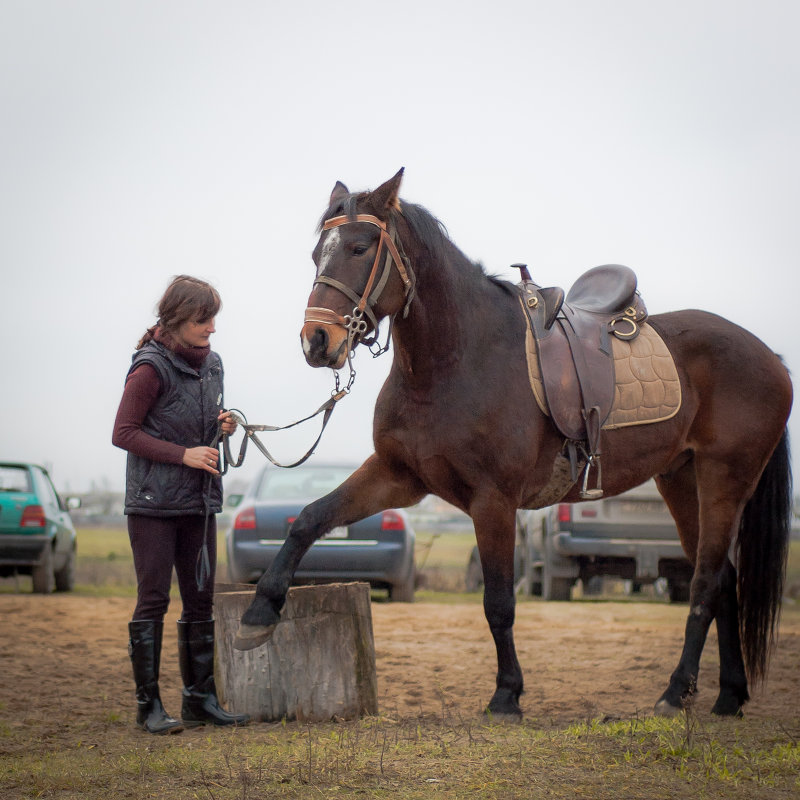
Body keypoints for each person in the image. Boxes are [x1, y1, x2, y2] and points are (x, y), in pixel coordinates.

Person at [112, 275, 249, 734]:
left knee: (201, 600)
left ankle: (199, 700)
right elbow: (124, 433)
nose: (212, 328)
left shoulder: (214, 366)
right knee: (153, 600)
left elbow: (193, 420)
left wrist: (221, 426)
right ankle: (148, 706)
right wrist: (184, 455)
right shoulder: (149, 368)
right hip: (152, 505)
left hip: (200, 501)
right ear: (176, 319)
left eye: (213, 319)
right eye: (203, 319)